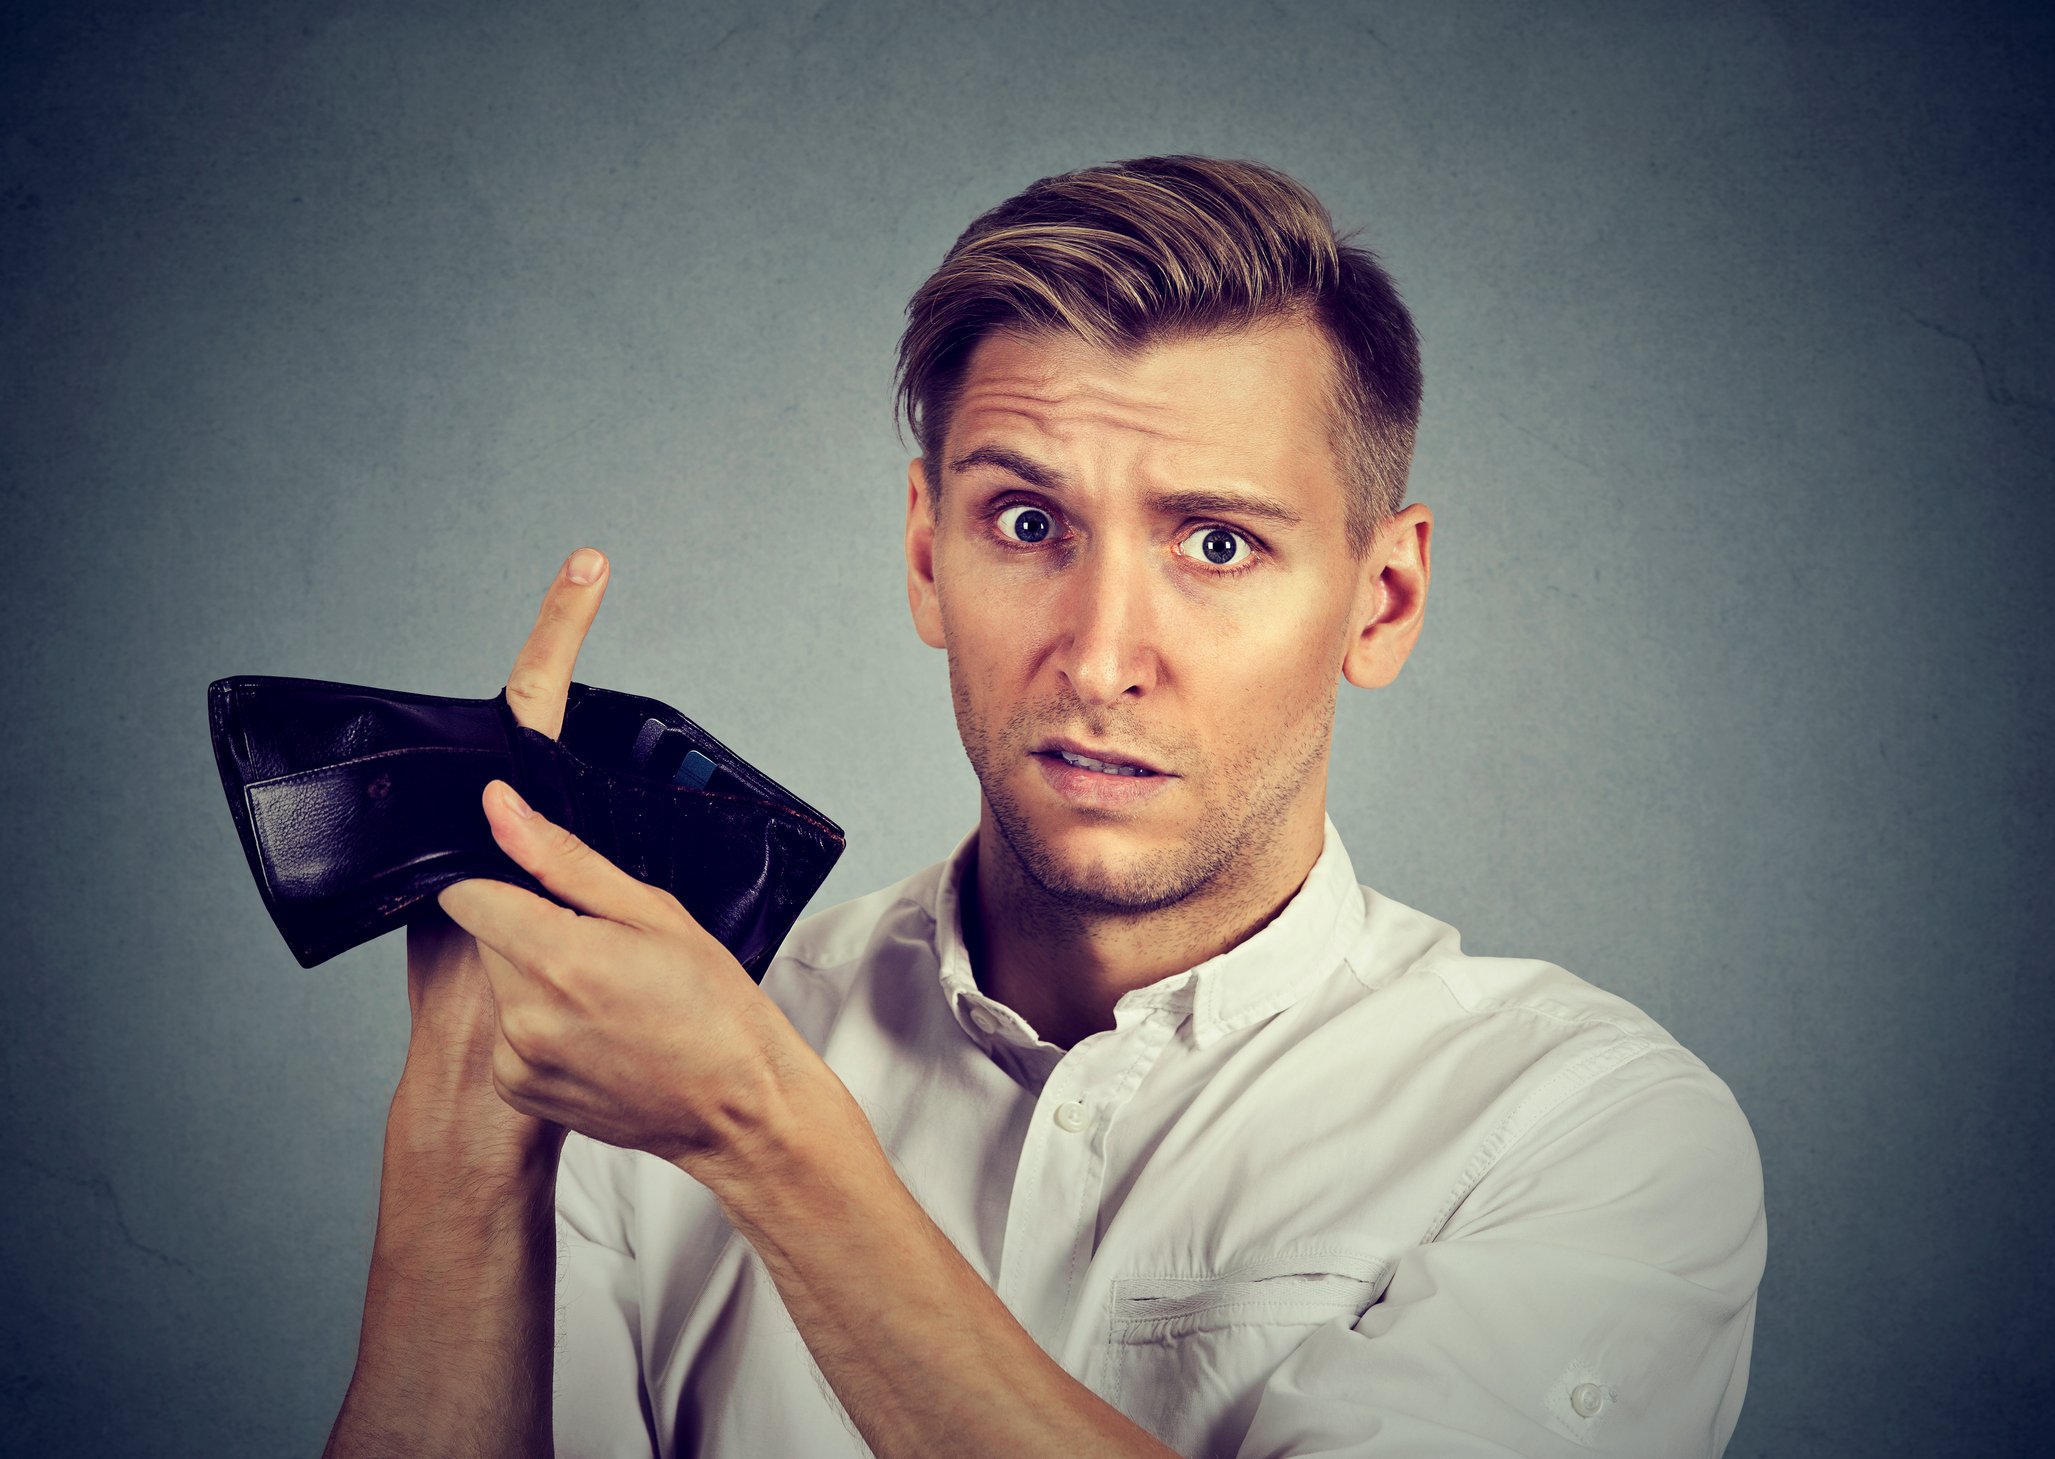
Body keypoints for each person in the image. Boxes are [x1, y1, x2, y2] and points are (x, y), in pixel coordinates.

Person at [321, 155, 1766, 1459]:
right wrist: (465, 1133)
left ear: (1381, 600)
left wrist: (766, 1136)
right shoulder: (646, 1057)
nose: (1098, 657)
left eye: (1216, 541)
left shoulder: (1584, 1131)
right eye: (1028, 524)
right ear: (925, 552)